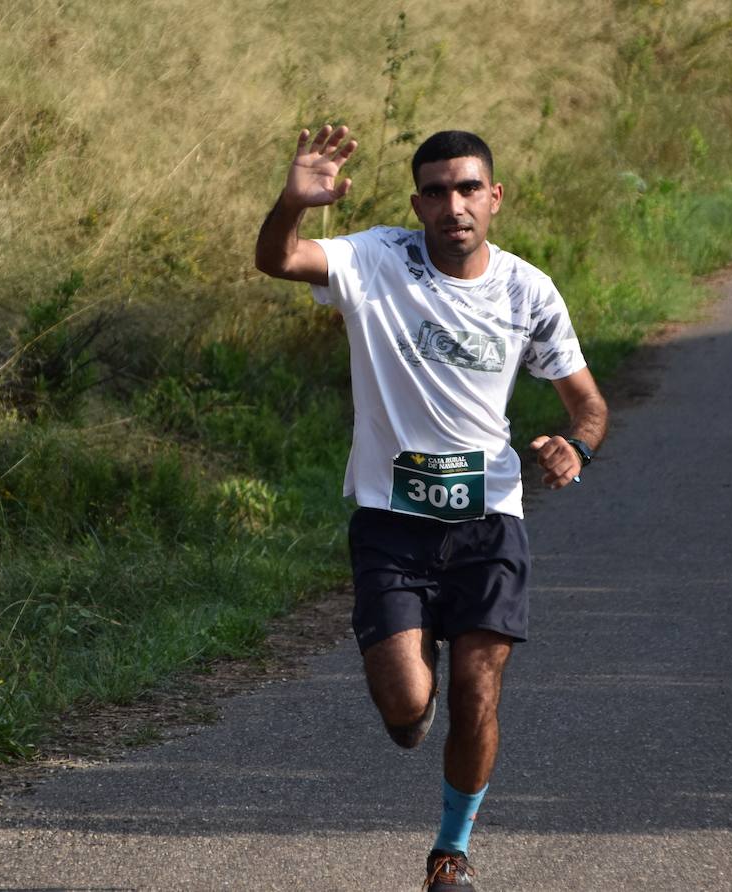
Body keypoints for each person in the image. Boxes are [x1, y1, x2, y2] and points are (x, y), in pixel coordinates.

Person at [254, 125, 608, 890]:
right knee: (409, 703)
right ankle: (412, 702)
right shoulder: (377, 260)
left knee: (478, 690)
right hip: (392, 520)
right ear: (418, 203)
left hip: (490, 520)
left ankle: (451, 852)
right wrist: (291, 202)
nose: (455, 204)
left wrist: (575, 447)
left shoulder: (526, 290)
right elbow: (277, 259)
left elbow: (587, 403)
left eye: (469, 188)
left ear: (495, 197)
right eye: (439, 191)